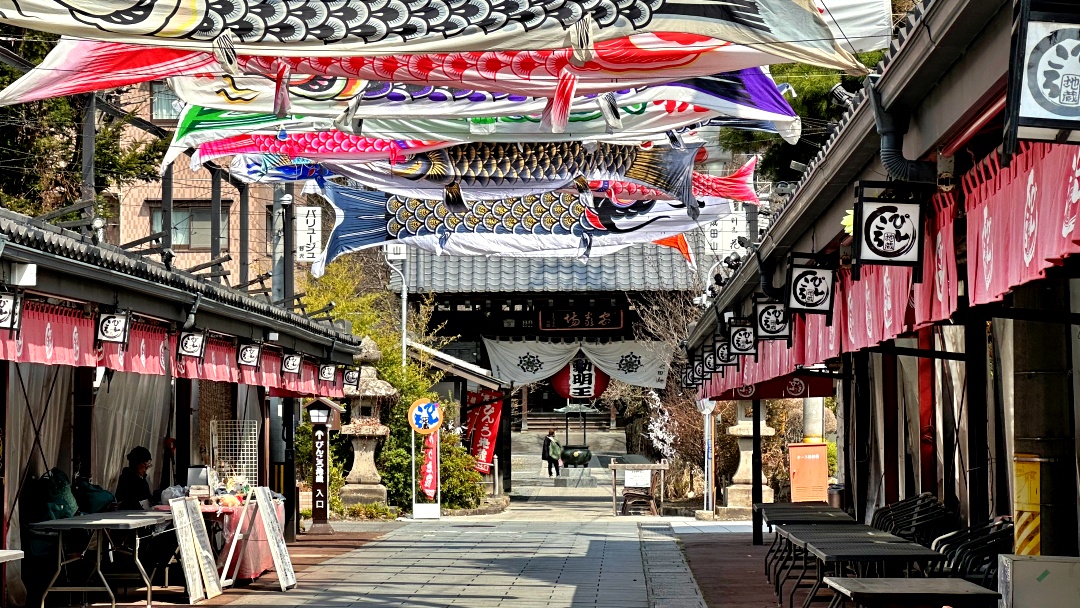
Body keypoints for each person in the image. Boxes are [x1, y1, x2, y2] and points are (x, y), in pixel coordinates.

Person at [115, 446, 153, 510]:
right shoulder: (127, 479)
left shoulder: (142, 479)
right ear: (137, 463)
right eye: (145, 464)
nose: (147, 468)